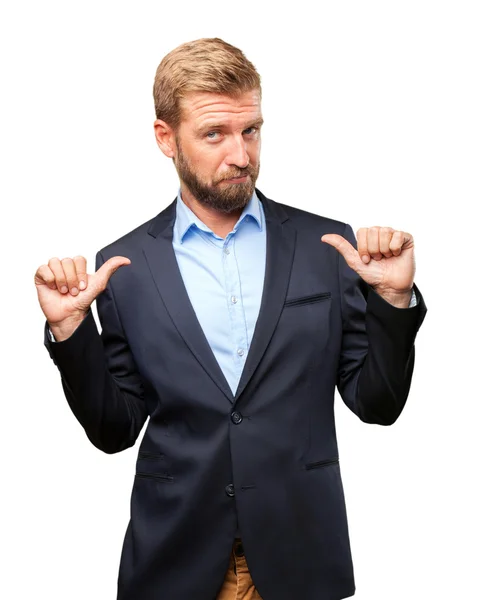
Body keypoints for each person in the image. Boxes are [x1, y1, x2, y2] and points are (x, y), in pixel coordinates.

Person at [35, 38, 427, 600]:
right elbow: (114, 430)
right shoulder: (124, 268)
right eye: (214, 134)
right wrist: (72, 333)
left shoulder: (328, 248)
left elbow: (379, 404)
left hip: (300, 558)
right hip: (176, 562)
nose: (240, 155)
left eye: (251, 131)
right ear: (165, 138)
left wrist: (393, 300)